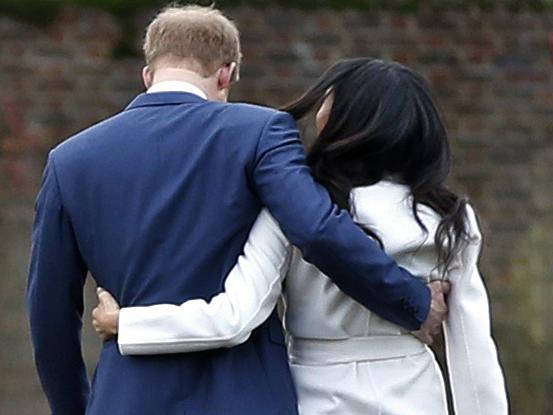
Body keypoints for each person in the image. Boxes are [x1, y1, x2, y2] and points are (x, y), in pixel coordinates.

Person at [27, 6, 448, 415]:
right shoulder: (260, 132)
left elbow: (50, 317)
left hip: (128, 396)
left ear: (147, 75)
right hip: (245, 395)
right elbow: (317, 229)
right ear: (227, 74)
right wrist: (411, 299)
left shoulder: (70, 160)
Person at [92, 58, 509, 414]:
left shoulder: (296, 210)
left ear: (347, 118)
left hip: (315, 394)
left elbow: (232, 317)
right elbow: (473, 354)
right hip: (415, 391)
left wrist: (130, 323)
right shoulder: (449, 218)